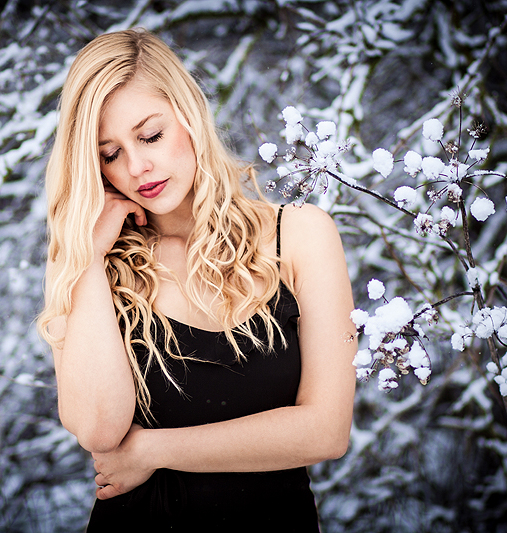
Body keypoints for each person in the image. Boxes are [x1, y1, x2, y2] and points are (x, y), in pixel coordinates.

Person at [37, 28, 357, 532]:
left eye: (150, 136)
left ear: (188, 115)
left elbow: (326, 431)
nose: (138, 166)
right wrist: (89, 260)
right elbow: (100, 429)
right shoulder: (85, 261)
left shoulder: (298, 237)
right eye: (109, 153)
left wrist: (151, 451)